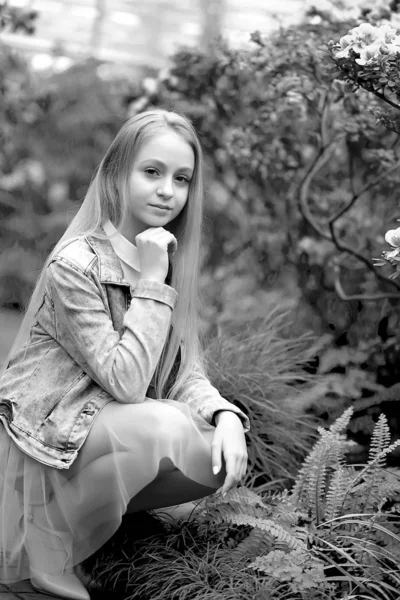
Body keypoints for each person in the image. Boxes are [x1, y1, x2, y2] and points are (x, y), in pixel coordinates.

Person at [0, 109, 250, 600]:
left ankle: (68, 522)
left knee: (216, 458)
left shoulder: (165, 259)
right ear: (117, 173)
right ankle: (49, 541)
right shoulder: (76, 264)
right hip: (52, 427)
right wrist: (152, 281)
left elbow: (182, 374)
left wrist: (224, 415)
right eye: (152, 172)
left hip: (106, 424)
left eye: (181, 179)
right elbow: (127, 381)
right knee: (163, 428)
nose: (167, 191)